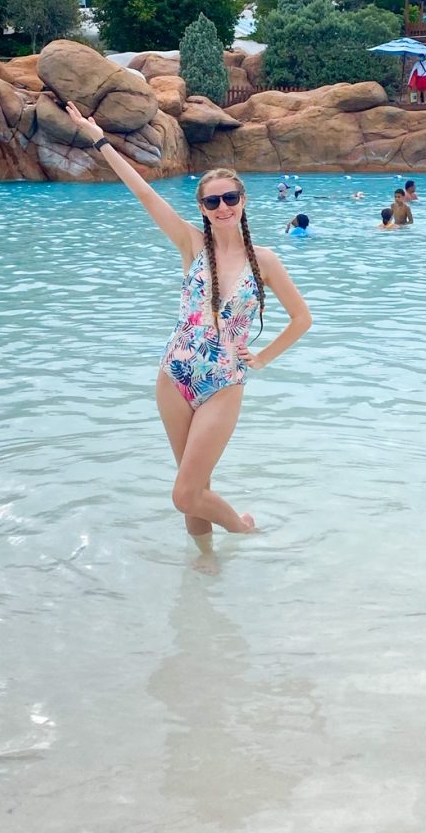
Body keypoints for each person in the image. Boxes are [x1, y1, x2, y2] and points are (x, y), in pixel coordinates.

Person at [64, 101, 311, 539]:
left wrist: (263, 357)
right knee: (194, 487)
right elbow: (144, 192)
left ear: (242, 201)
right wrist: (97, 138)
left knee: (185, 492)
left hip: (223, 381)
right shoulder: (191, 245)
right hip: (174, 373)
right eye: (212, 201)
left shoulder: (265, 261)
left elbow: (301, 319)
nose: (222, 207)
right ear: (202, 207)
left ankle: (243, 530)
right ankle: (204, 573)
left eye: (229, 198)